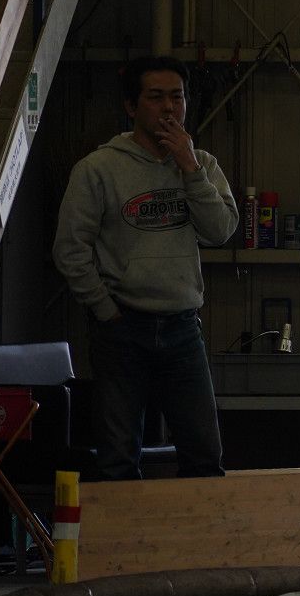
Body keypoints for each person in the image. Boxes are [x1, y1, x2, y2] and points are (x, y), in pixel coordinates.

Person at [53, 55, 237, 480]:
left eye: (178, 97)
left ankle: (198, 527)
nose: (169, 107)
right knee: (118, 457)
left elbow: (221, 231)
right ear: (131, 106)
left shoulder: (202, 164)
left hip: (183, 326)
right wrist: (105, 309)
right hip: (122, 329)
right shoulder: (98, 169)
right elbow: (70, 249)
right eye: (155, 97)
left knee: (204, 454)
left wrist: (189, 169)